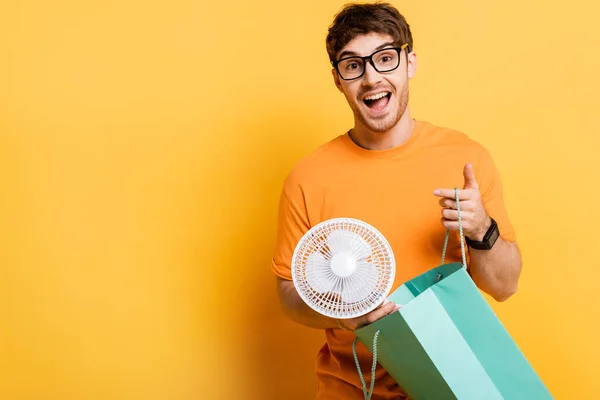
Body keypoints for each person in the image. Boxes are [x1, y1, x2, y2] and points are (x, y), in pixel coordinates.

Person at [270, 2, 522, 399]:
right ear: (338, 79)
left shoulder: (464, 158)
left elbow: (505, 286)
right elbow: (289, 294)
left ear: (410, 63)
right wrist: (348, 316)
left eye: (385, 59)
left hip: (455, 384)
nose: (371, 78)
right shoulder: (307, 178)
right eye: (353, 65)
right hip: (354, 388)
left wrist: (481, 231)